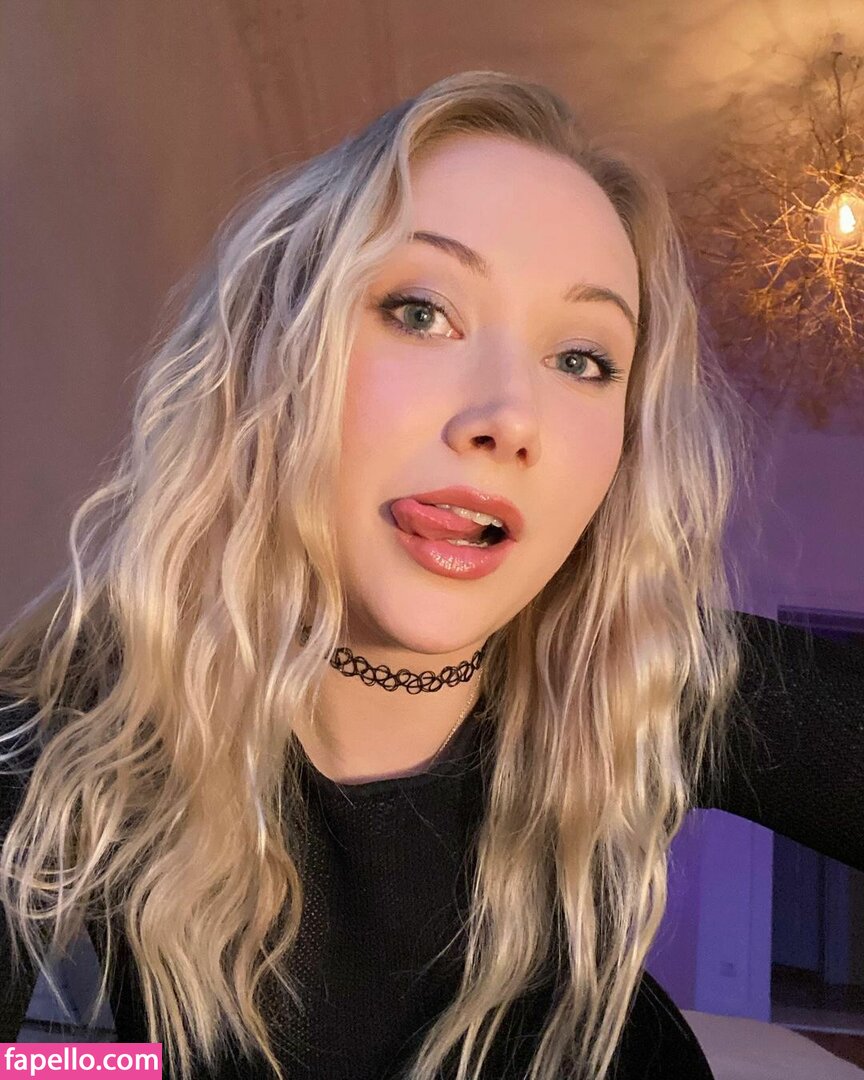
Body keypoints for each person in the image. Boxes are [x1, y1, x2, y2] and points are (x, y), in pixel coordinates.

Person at [0, 69, 861, 1080]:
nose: (510, 417)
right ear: (272, 353)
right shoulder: (47, 764)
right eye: (421, 311)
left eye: (582, 360)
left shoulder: (640, 682)